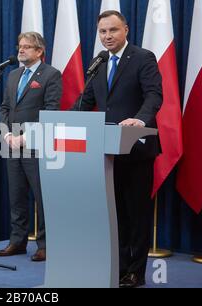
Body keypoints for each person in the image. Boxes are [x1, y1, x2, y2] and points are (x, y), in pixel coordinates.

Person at [72, 11, 163, 287]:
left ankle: (136, 272)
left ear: (125, 29)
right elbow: (85, 101)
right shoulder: (98, 63)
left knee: (136, 214)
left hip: (135, 147)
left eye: (112, 30)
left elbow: (154, 94)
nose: (107, 36)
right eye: (102, 32)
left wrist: (140, 119)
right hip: (106, 151)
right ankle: (120, 267)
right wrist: (63, 122)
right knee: (116, 215)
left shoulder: (142, 57)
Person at [0, 32, 62, 262]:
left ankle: (45, 245)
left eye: (27, 47)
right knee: (16, 196)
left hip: (37, 146)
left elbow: (51, 111)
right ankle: (18, 241)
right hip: (11, 145)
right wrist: (6, 134)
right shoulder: (13, 74)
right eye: (20, 46)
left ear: (39, 51)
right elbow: (5, 107)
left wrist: (25, 138)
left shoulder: (51, 75)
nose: (21, 50)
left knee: (42, 197)